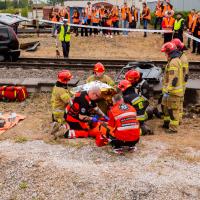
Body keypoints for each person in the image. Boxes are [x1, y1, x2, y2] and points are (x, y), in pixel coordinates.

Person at [161, 42, 184, 133]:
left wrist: (168, 90)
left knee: (174, 111)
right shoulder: (175, 60)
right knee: (167, 108)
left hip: (173, 92)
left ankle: (173, 129)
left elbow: (173, 78)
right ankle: (167, 124)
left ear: (169, 52)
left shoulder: (174, 62)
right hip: (172, 91)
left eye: (165, 52)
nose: (165, 54)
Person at [171, 38, 189, 123]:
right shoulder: (180, 56)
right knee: (178, 102)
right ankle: (178, 119)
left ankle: (178, 119)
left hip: (181, 84)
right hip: (181, 83)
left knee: (179, 102)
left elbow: (184, 73)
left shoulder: (182, 59)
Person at [51, 70, 73, 135]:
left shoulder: (57, 86)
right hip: (60, 112)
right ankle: (57, 130)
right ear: (65, 80)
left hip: (56, 110)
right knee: (67, 126)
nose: (69, 80)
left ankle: (56, 122)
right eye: (68, 79)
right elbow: (69, 101)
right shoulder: (61, 91)